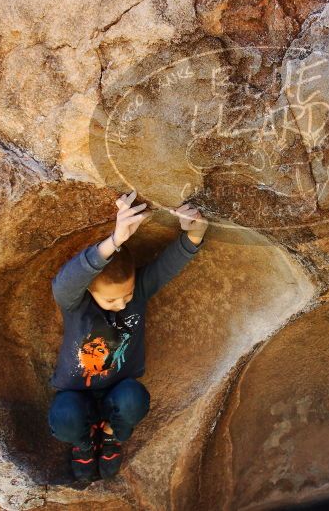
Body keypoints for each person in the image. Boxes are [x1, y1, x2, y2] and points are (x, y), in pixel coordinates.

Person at [47, 190, 208, 481]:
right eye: (111, 301)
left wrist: (197, 228)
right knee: (63, 416)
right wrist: (115, 240)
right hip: (75, 393)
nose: (121, 304)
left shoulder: (140, 291)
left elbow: (174, 260)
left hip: (118, 390)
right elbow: (64, 282)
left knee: (135, 398)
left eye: (127, 295)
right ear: (90, 291)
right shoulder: (75, 303)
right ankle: (84, 446)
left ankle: (110, 437)